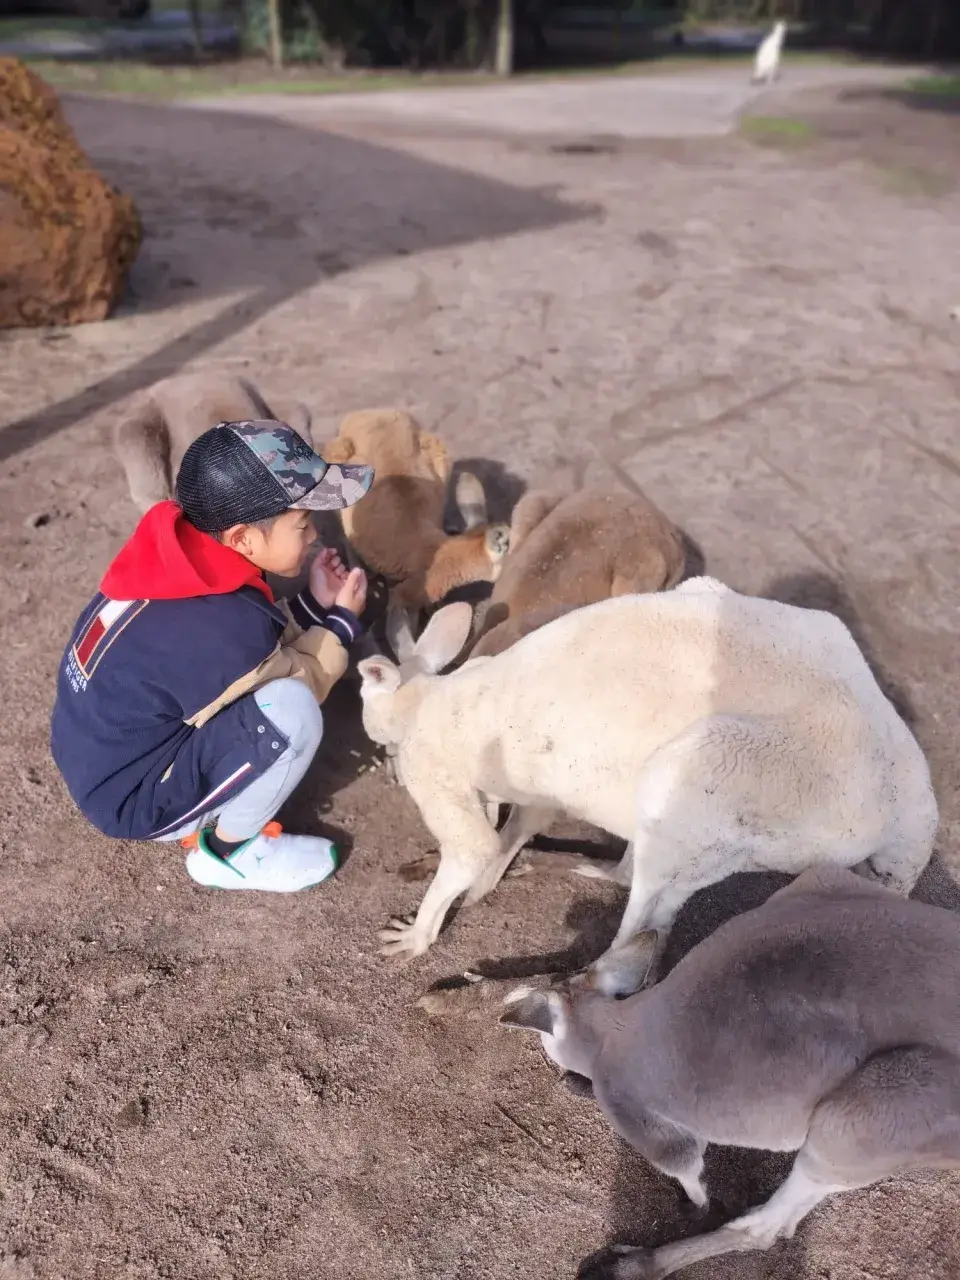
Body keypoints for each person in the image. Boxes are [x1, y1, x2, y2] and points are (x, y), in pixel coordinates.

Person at [50, 418, 374, 893]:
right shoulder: (224, 629)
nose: (312, 537)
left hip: (91, 753)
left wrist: (310, 606)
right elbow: (294, 679)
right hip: (135, 797)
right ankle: (229, 852)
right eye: (303, 524)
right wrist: (341, 623)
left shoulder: (177, 561)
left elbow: (242, 655)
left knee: (267, 697)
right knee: (292, 714)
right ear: (242, 537)